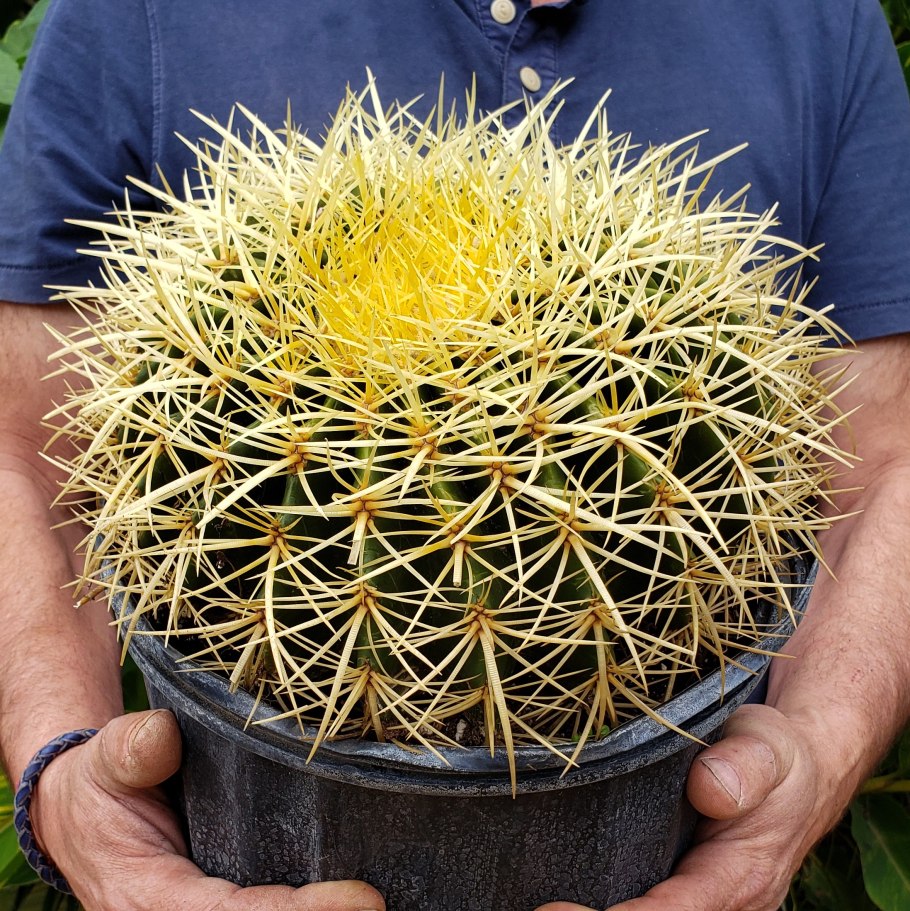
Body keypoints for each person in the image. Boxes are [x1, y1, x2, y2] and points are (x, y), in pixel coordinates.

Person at [1, 2, 908, 910]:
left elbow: (883, 465)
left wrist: (818, 754)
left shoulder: (820, 18)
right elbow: (26, 450)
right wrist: (65, 779)